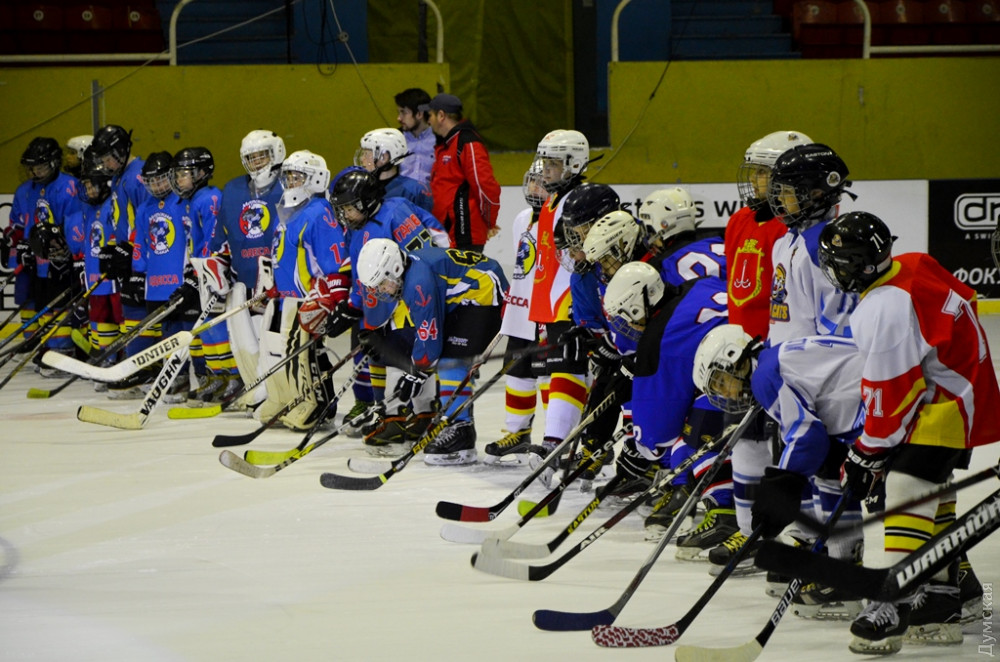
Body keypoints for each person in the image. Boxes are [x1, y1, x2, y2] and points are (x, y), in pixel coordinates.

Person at [818, 211, 1000, 655]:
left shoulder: (882, 310)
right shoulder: (912, 262)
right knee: (930, 491)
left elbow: (897, 395)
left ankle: (891, 600)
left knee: (902, 485)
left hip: (949, 400)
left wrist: (866, 453)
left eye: (834, 260)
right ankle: (942, 598)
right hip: (964, 381)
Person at [693, 324, 866, 617]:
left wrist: (778, 490)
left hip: (875, 401)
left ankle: (847, 573)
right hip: (868, 398)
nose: (727, 394)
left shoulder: (764, 376)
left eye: (722, 382)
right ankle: (843, 570)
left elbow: (807, 435)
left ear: (735, 357)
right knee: (827, 469)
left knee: (844, 477)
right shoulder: (772, 361)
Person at [705, 131, 813, 578]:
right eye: (754, 172)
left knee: (795, 446)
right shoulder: (739, 222)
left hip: (781, 353)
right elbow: (737, 290)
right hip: (743, 353)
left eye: (765, 174)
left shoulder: (794, 231)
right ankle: (748, 530)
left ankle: (800, 533)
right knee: (745, 440)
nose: (755, 183)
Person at [601, 261, 735, 554]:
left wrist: (633, 413)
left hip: (738, 389)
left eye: (626, 319)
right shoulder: (697, 285)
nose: (625, 328)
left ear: (639, 306)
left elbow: (654, 441)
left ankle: (723, 512)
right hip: (771, 353)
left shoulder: (658, 341)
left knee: (689, 436)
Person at [354, 238, 508, 465]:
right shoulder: (410, 270)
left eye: (383, 283)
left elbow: (430, 341)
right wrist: (387, 338)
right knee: (430, 348)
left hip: (487, 297)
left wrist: (417, 372)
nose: (381, 290)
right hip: (468, 298)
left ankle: (460, 430)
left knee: (450, 357)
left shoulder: (418, 282)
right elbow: (421, 328)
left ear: (395, 268)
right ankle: (458, 426)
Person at [325, 169, 441, 445]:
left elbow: (423, 256)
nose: (345, 215)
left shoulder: (396, 213)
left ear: (366, 202)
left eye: (349, 208)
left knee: (407, 351)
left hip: (410, 295)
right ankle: (389, 412)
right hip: (381, 297)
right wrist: (352, 304)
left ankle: (414, 412)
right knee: (380, 352)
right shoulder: (357, 227)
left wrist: (414, 295)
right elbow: (361, 270)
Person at [256, 149, 348, 431]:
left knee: (308, 353)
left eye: (298, 176)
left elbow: (334, 260)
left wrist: (329, 295)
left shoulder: (319, 212)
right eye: (289, 176)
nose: (291, 182)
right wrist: (270, 285)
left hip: (308, 299)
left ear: (316, 179)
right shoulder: (285, 210)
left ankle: (317, 404)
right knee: (278, 350)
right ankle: (283, 398)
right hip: (285, 298)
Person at [203, 129, 286, 407]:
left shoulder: (290, 185)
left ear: (276, 153)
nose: (257, 163)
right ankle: (259, 389)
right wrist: (219, 263)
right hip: (245, 281)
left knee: (276, 340)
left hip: (281, 283)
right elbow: (221, 237)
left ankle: (283, 392)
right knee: (249, 343)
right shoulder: (233, 189)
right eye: (250, 158)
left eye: (262, 156)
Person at [483, 160, 547, 464]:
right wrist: (514, 303)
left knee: (551, 375)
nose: (535, 188)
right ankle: (517, 433)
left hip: (549, 310)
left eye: (542, 183)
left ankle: (558, 438)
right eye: (532, 181)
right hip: (523, 311)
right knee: (516, 369)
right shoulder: (522, 218)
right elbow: (524, 268)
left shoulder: (559, 217)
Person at [7, 137, 83, 365]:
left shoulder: (69, 187)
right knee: (38, 303)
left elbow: (75, 224)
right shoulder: (25, 191)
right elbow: (18, 225)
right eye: (31, 167)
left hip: (59, 259)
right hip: (36, 262)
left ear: (53, 163)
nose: (34, 172)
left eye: (39, 166)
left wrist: (65, 251)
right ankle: (42, 344)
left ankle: (62, 351)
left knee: (58, 305)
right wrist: (16, 243)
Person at [131, 151, 199, 402]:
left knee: (189, 331)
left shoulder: (183, 202)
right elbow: (140, 242)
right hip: (156, 283)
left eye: (160, 179)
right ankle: (175, 378)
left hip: (179, 280)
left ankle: (197, 377)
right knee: (167, 333)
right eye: (151, 181)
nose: (156, 186)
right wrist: (137, 271)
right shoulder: (144, 208)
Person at [420, 93, 501, 251]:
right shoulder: (447, 144)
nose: (428, 121)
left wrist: (489, 221)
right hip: (449, 234)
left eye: (430, 115)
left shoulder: (467, 142)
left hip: (463, 235)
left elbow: (485, 185)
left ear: (441, 115)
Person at [355, 127, 451, 248]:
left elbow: (428, 233)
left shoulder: (414, 190)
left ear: (384, 157)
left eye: (367, 154)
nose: (363, 159)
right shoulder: (361, 189)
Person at [394, 87, 435, 188]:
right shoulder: (395, 140)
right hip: (401, 199)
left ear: (419, 114)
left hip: (431, 200)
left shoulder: (441, 140)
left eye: (403, 112)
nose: (399, 118)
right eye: (399, 112)